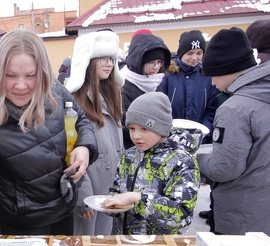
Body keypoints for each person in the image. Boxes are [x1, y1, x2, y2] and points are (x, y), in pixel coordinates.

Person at [0, 28, 98, 246]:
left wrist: (84, 146)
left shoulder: (55, 91)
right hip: (19, 225)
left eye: (30, 76)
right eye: (10, 76)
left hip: (63, 213)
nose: (21, 85)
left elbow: (81, 119)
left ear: (43, 73)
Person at [197, 27, 270, 235]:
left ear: (225, 68)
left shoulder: (234, 108)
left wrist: (198, 158)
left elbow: (225, 168)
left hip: (241, 215)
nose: (212, 83)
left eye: (212, 75)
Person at [103, 92, 201, 235]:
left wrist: (139, 199)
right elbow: (117, 189)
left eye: (144, 128)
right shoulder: (129, 156)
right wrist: (113, 204)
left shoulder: (182, 162)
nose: (136, 136)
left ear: (160, 128)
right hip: (124, 241)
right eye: (132, 128)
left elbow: (181, 216)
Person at [65, 30, 124, 235]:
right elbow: (69, 153)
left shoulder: (111, 97)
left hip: (108, 193)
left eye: (112, 59)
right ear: (88, 61)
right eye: (103, 58)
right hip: (89, 194)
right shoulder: (74, 102)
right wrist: (83, 197)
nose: (109, 64)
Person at [159, 30, 217, 143]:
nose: (195, 58)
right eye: (190, 53)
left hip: (200, 139)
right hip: (171, 139)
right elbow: (161, 108)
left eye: (199, 53)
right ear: (182, 53)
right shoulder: (168, 75)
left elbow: (211, 110)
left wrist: (202, 133)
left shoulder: (207, 76)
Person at [120, 29, 171, 149]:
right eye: (152, 62)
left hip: (155, 145)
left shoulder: (155, 82)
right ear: (139, 61)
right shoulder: (123, 86)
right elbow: (126, 124)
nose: (156, 67)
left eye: (159, 62)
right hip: (132, 147)